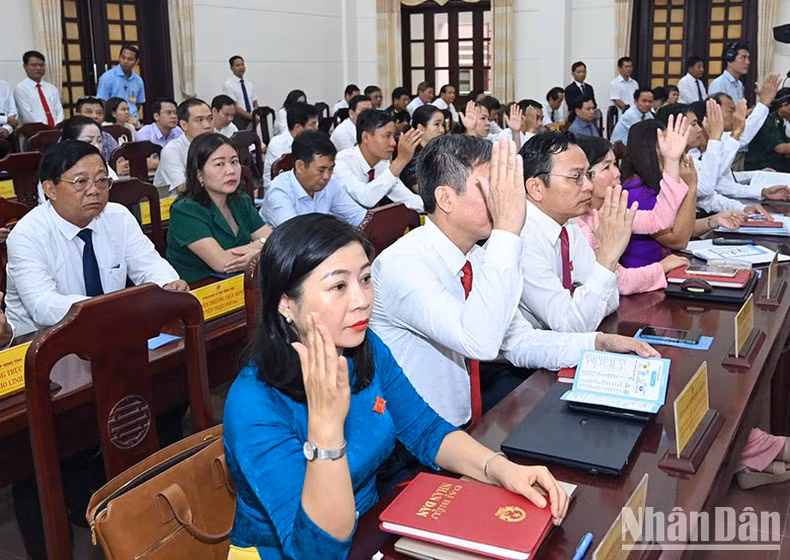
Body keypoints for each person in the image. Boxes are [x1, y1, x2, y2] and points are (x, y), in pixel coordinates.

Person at [222, 212, 570, 559]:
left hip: (371, 530)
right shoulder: (254, 403)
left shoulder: (364, 348)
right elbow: (314, 551)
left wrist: (501, 469)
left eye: (365, 279)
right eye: (339, 286)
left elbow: (427, 431)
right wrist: (326, 430)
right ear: (286, 303)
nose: (362, 300)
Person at [369, 136, 658, 426]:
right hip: (412, 435)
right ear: (446, 199)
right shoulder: (404, 264)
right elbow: (479, 342)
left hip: (459, 426)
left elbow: (519, 340)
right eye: (492, 188)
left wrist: (598, 343)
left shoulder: (474, 256)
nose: (504, 199)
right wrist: (506, 231)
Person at [6, 140, 186, 335]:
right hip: (42, 339)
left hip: (109, 329)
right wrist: (113, 308)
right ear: (50, 189)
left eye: (101, 180)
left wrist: (167, 284)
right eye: (81, 182)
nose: (94, 190)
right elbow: (43, 305)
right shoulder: (27, 235)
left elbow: (149, 265)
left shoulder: (118, 216)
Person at [518, 132, 633, 332]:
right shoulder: (521, 239)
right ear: (536, 188)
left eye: (588, 175)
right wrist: (607, 257)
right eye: (576, 177)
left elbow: (611, 298)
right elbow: (571, 326)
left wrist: (580, 305)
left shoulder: (568, 225)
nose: (588, 186)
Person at [575, 134, 690, 295]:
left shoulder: (606, 211)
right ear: (584, 176)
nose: (617, 173)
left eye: (615, 164)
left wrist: (671, 162)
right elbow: (621, 282)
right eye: (606, 167)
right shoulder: (579, 227)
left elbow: (658, 220)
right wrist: (662, 266)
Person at [167, 133, 271, 283]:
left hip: (240, 284)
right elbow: (222, 263)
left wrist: (257, 253)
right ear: (199, 174)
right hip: (200, 290)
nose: (231, 170)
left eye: (234, 161)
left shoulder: (241, 200)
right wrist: (261, 250)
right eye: (220, 164)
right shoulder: (185, 210)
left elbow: (273, 240)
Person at [262, 131, 366, 227]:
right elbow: (294, 235)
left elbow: (359, 217)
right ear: (300, 166)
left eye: (331, 169)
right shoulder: (279, 192)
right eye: (321, 170)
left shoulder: (331, 183)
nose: (326, 176)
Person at [333, 109, 423, 211]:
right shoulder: (342, 162)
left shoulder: (381, 163)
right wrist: (401, 160)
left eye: (393, 136)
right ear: (366, 137)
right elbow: (366, 199)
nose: (393, 143)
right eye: (387, 136)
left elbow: (407, 198)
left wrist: (434, 207)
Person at [154, 98, 213, 194]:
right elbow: (184, 188)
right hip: (174, 201)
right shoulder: (171, 151)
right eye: (199, 120)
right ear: (184, 125)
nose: (207, 125)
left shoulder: (217, 145)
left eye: (210, 119)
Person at [264, 102, 319, 187]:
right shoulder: (277, 144)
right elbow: (280, 179)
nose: (316, 128)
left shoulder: (313, 141)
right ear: (298, 127)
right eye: (312, 124)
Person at [400, 104, 445, 190]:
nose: (442, 130)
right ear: (421, 128)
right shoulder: (410, 154)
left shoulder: (440, 149)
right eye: (436, 124)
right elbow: (421, 189)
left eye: (442, 124)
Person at [13, 50, 63, 127]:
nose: (38, 68)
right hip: (34, 131)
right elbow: (27, 116)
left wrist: (58, 126)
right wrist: (46, 129)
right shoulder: (20, 89)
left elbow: (59, 110)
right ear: (25, 67)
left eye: (41, 65)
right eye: (34, 65)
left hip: (56, 130)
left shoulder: (52, 88)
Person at [745, 88, 790, 172]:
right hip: (762, 169)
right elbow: (779, 148)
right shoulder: (767, 119)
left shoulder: (781, 121)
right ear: (784, 104)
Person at [96, 44, 145, 121]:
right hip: (113, 121)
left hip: (132, 120)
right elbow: (102, 102)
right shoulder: (107, 77)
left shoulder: (138, 80)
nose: (125, 61)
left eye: (130, 59)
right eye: (123, 57)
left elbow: (138, 104)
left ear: (136, 62)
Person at [76, 96, 118, 162]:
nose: (95, 116)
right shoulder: (70, 136)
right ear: (78, 115)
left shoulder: (108, 138)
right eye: (89, 112)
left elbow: (117, 159)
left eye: (99, 113)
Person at [223, 55, 259, 130]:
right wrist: (251, 117)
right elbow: (234, 106)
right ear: (231, 68)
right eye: (238, 65)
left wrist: (255, 115)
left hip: (252, 119)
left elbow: (255, 102)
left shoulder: (249, 84)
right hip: (238, 119)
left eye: (242, 64)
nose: (241, 67)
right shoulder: (229, 85)